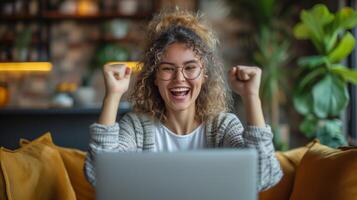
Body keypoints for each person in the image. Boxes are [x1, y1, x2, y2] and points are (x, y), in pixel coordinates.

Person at [84, 9, 282, 192]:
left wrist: (251, 96)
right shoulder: (137, 128)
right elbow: (98, 175)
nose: (179, 78)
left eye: (190, 67)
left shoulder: (222, 127)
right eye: (168, 68)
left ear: (204, 74)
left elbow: (262, 176)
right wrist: (113, 95)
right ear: (154, 76)